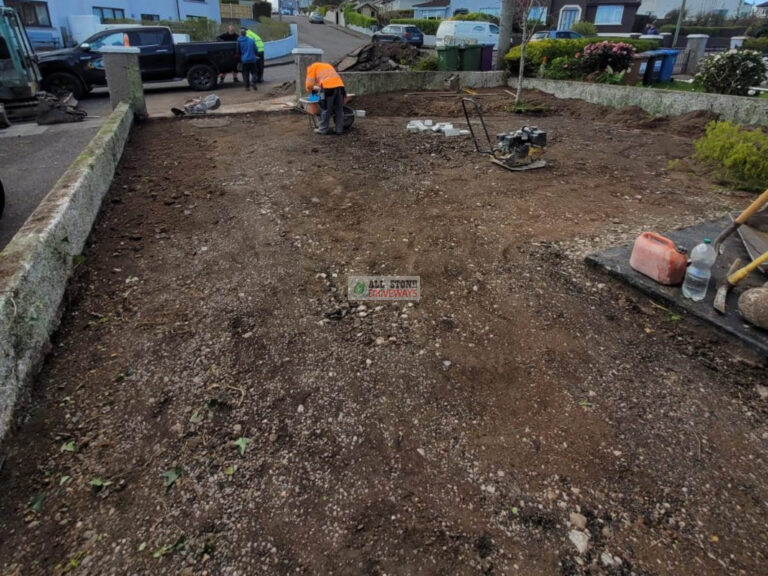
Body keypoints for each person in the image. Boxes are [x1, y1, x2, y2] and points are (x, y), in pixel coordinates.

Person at [305, 61, 346, 135]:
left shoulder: (311, 68)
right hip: (340, 87)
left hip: (328, 89)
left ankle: (323, 129)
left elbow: (309, 85)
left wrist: (312, 94)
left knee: (325, 109)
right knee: (339, 109)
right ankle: (339, 130)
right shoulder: (326, 65)